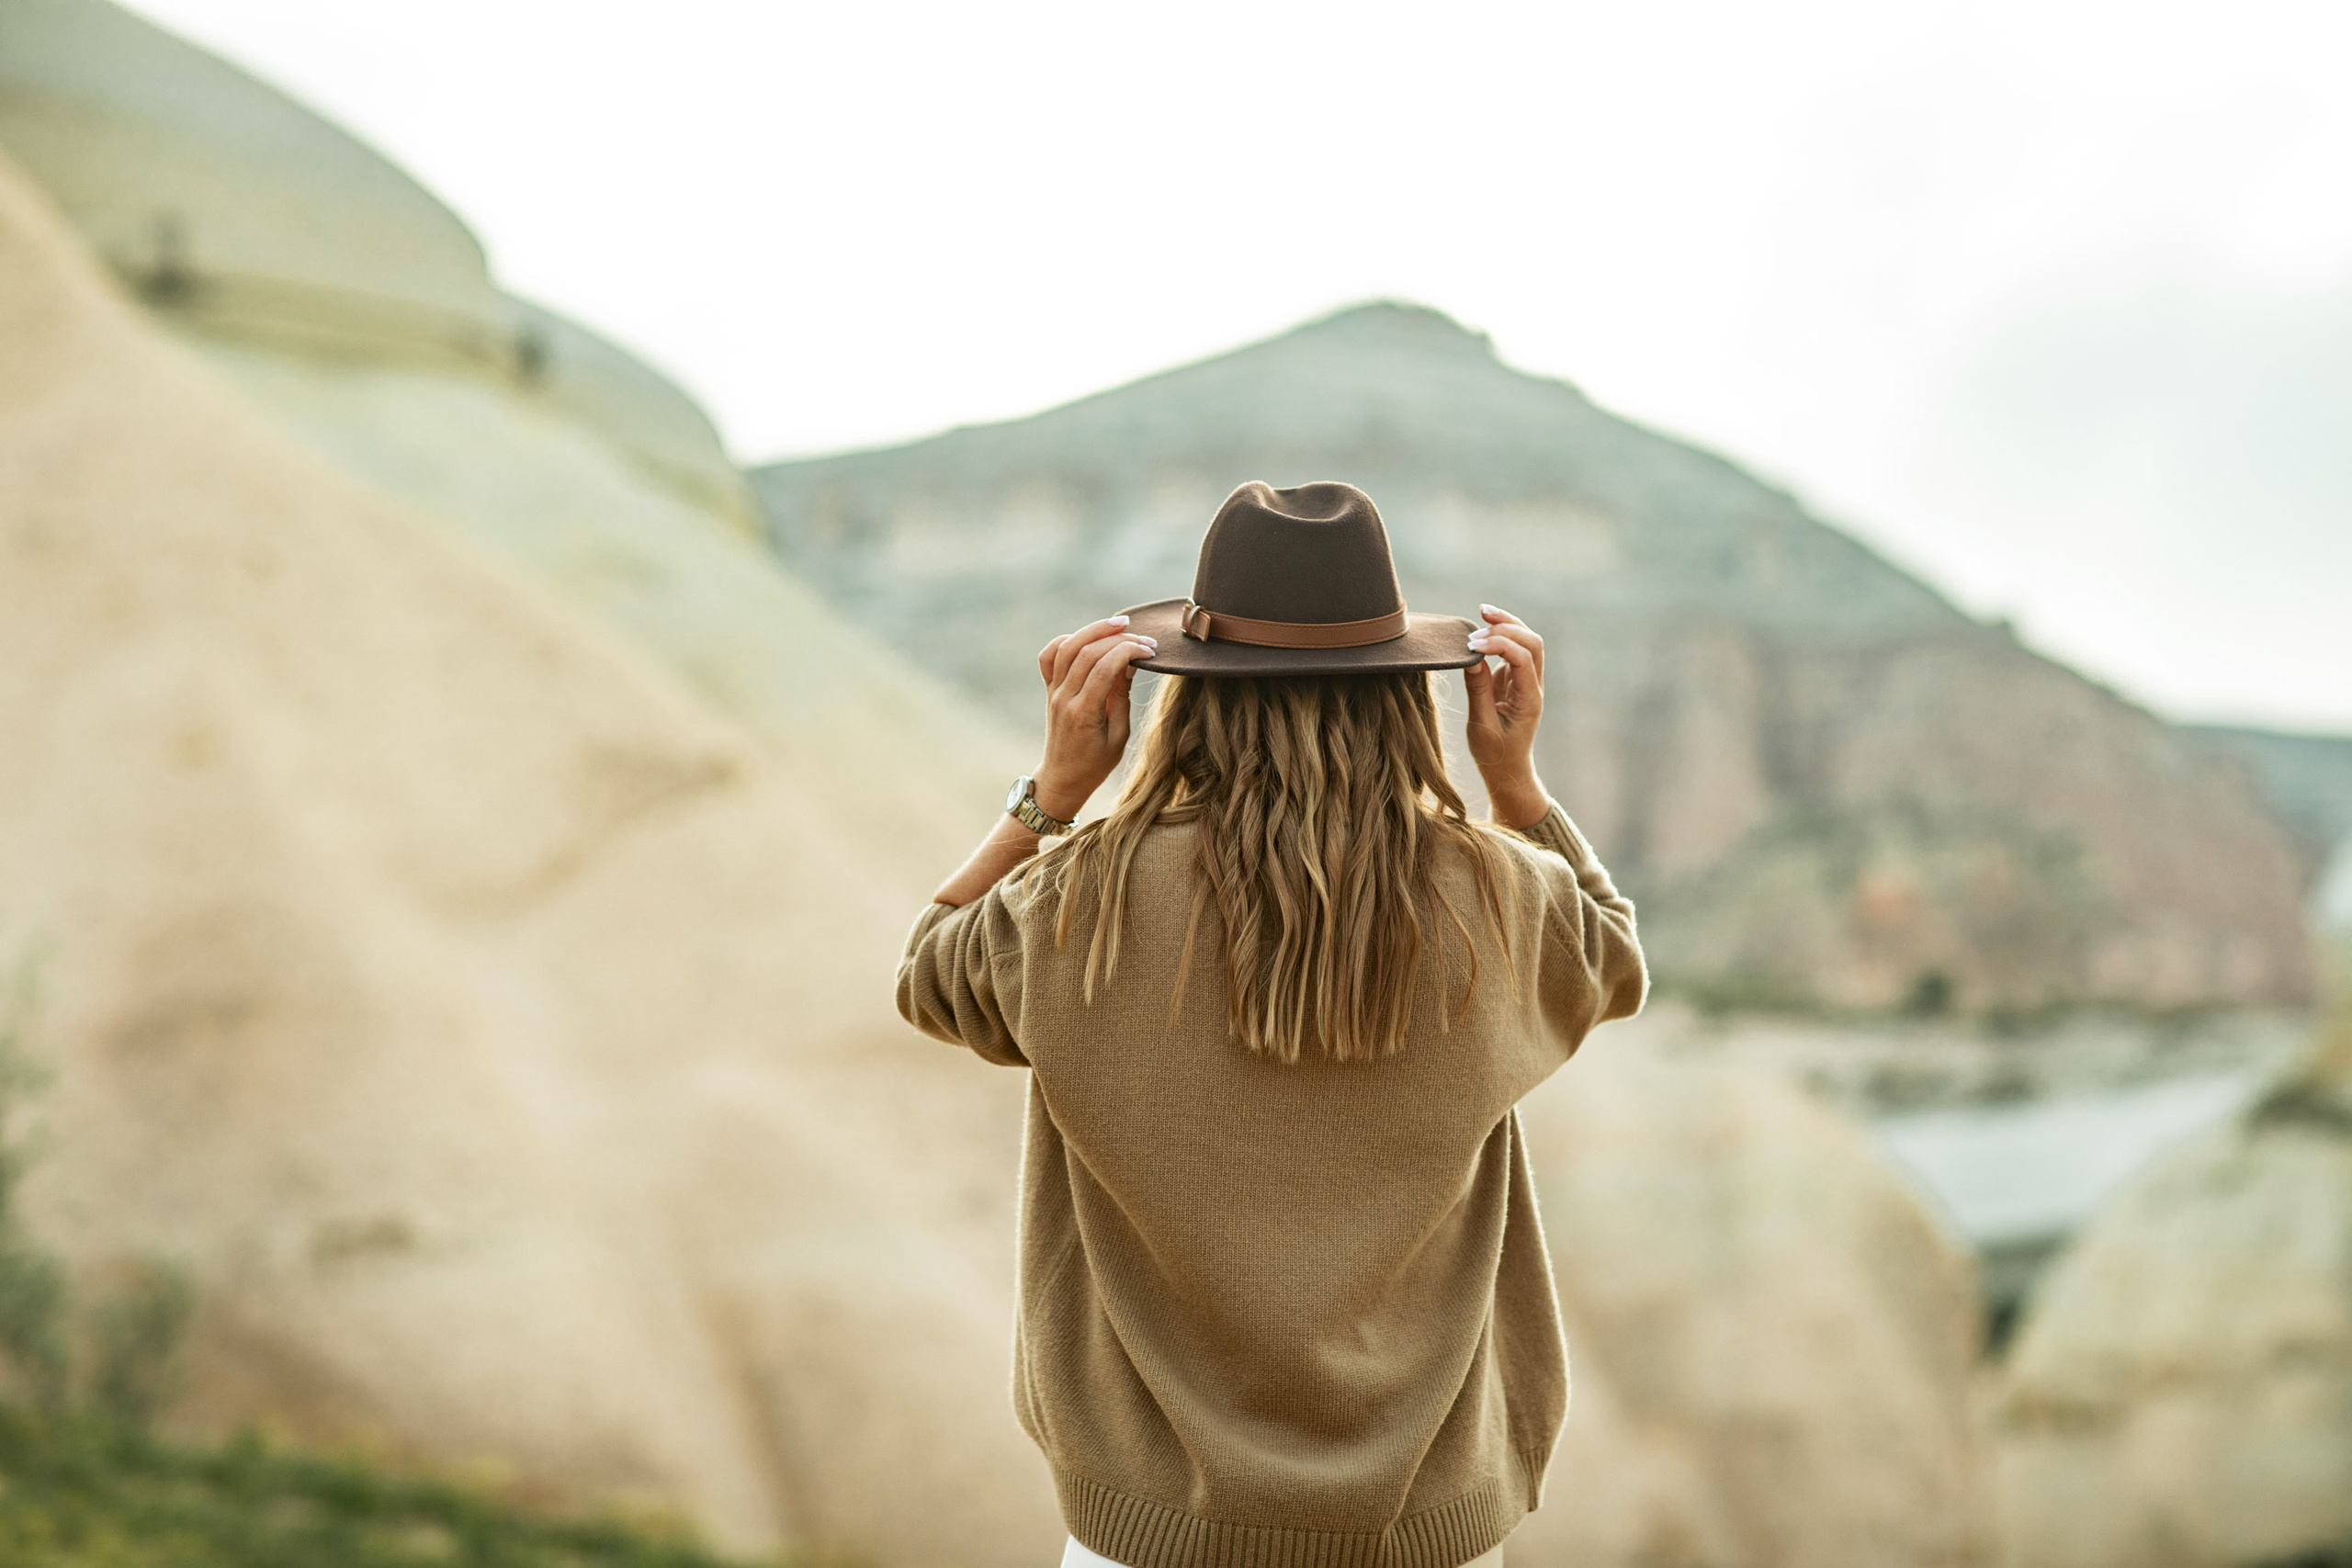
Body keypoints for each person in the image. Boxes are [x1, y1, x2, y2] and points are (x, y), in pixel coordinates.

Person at [898, 481, 1647, 1568]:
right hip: (1426, 1541)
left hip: (1148, 1540)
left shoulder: (1074, 902)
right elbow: (1613, 960)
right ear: (1403, 691)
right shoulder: (1500, 899)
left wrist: (1051, 794)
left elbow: (928, 971)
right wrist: (1514, 781)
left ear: (1187, 696)